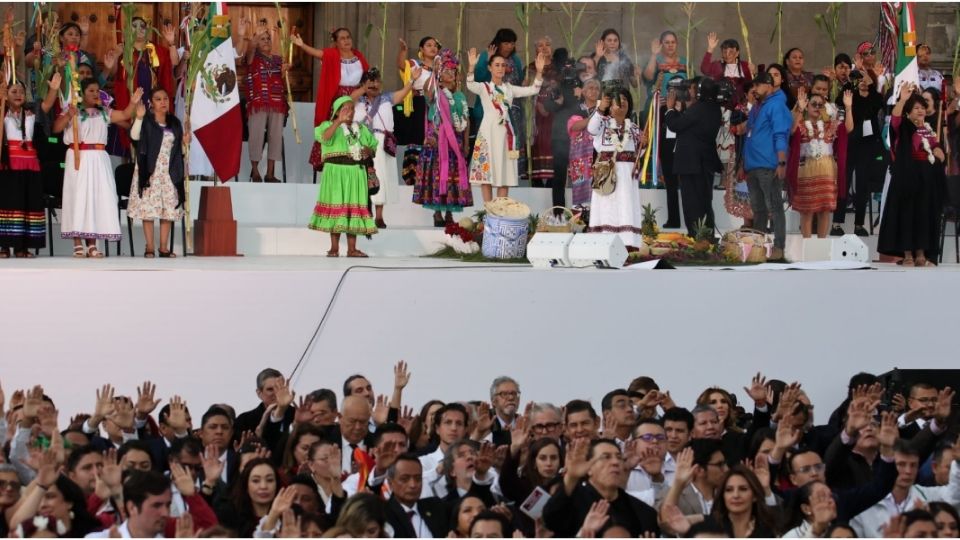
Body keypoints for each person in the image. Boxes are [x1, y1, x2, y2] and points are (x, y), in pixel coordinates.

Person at [53, 80, 142, 259]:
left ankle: (92, 244)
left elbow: (125, 114)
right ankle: (77, 243)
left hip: (99, 159)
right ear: (82, 93)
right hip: (78, 157)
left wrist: (133, 102)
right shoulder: (73, 111)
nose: (96, 94)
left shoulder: (104, 112)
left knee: (95, 199)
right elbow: (56, 129)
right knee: (78, 198)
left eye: (97, 91)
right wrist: (68, 116)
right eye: (91, 91)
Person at [878, 82, 947, 266]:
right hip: (907, 178)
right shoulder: (904, 127)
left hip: (925, 179)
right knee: (907, 215)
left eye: (922, 108)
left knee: (923, 215)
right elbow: (895, 118)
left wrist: (939, 150)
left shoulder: (928, 130)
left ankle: (921, 253)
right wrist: (902, 100)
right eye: (916, 108)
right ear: (908, 112)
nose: (920, 111)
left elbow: (935, 148)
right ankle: (907, 254)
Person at [466, 47, 547, 203]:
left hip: (506, 134)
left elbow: (533, 90)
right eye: (497, 65)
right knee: (486, 172)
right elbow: (470, 85)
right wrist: (471, 67)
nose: (500, 68)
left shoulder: (509, 89)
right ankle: (488, 210)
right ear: (490, 68)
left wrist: (539, 72)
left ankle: (500, 210)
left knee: (504, 173)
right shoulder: (484, 88)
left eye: (503, 65)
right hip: (488, 134)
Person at [541, 438, 659, 537]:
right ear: (589, 468)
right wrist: (571, 477)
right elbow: (551, 519)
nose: (615, 462)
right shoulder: (572, 502)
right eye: (606, 457)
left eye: (619, 457)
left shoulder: (642, 512)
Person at [308, 96, 378, 257]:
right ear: (337, 111)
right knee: (337, 208)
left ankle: (352, 249)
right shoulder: (327, 125)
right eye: (346, 108)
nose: (350, 112)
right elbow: (325, 138)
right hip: (335, 173)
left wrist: (369, 151)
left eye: (352, 109)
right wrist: (338, 122)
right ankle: (334, 248)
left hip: (356, 172)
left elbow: (373, 146)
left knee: (352, 209)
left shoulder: (361, 129)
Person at [353, 65, 420, 228]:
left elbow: (404, 92)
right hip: (360, 142)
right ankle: (362, 212)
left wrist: (412, 80)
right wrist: (364, 88)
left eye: (377, 82)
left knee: (379, 178)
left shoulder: (387, 98)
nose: (374, 85)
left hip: (381, 143)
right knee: (361, 177)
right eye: (370, 82)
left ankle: (379, 216)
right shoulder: (357, 100)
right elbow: (348, 99)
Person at [0, 74, 59, 258]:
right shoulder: (2, 112)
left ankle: (22, 248)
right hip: (9, 166)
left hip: (31, 165)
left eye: (21, 92)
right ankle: (4, 246)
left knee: (28, 205)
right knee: (8, 205)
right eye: (14, 91)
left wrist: (54, 89)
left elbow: (47, 105)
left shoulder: (31, 112)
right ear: (6, 94)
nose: (18, 94)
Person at [293, 28, 369, 172]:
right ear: (335, 42)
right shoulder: (331, 54)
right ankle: (333, 161)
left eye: (348, 37)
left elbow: (367, 76)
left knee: (356, 129)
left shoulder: (358, 55)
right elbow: (318, 53)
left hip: (358, 97)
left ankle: (356, 160)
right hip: (338, 98)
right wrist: (302, 45)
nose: (346, 40)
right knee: (337, 129)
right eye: (342, 38)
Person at [849, 440, 960, 537]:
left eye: (913, 465)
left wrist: (958, 463)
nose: (908, 471)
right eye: (901, 464)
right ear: (888, 464)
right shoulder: (863, 502)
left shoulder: (928, 495)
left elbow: (954, 494)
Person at [412, 49, 472, 227]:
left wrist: (467, 143)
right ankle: (437, 213)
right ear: (439, 74)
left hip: (456, 142)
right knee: (438, 175)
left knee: (452, 176)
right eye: (446, 71)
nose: (451, 74)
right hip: (436, 141)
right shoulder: (435, 94)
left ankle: (449, 214)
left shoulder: (460, 96)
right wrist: (434, 71)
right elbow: (427, 91)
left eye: (453, 71)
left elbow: (465, 122)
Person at [103, 17, 178, 154]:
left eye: (142, 26)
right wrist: (116, 57)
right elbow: (113, 73)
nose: (139, 29)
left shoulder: (156, 50)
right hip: (130, 101)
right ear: (127, 31)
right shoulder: (122, 50)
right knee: (132, 147)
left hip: (152, 103)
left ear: (148, 30)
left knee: (154, 145)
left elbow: (174, 63)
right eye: (134, 25)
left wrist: (171, 43)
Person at [128, 88, 187, 258]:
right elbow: (134, 137)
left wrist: (185, 142)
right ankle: (149, 247)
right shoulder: (146, 121)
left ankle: (163, 247)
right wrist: (138, 118)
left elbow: (179, 150)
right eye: (158, 99)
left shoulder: (175, 123)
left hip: (169, 171)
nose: (163, 102)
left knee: (167, 209)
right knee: (148, 210)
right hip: (150, 171)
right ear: (151, 103)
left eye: (166, 98)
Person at [787, 89, 854, 238]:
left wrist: (848, 108)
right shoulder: (801, 125)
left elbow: (848, 128)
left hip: (827, 171)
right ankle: (807, 245)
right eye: (814, 104)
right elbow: (791, 130)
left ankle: (822, 245)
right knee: (807, 210)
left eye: (820, 105)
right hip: (806, 170)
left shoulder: (831, 126)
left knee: (825, 210)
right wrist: (799, 108)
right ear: (808, 107)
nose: (817, 107)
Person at [586, 89, 647, 249]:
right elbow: (591, 129)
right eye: (618, 99)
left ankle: (627, 243)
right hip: (606, 173)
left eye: (625, 99)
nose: (623, 102)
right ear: (610, 105)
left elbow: (639, 154)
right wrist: (600, 109)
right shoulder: (602, 123)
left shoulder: (633, 127)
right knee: (606, 206)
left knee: (626, 204)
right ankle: (603, 242)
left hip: (626, 175)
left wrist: (645, 143)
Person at [664, 77, 723, 237]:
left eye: (691, 88)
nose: (688, 91)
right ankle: (705, 238)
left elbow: (676, 125)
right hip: (702, 163)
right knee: (703, 203)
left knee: (693, 204)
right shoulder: (713, 108)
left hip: (693, 163)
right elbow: (688, 125)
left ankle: (698, 239)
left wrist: (670, 109)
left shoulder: (700, 108)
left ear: (699, 90)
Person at [743, 72, 792, 260]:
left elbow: (781, 134)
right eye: (753, 86)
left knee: (775, 207)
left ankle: (779, 248)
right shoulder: (758, 106)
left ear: (769, 85)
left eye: (758, 86)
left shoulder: (777, 105)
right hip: (753, 165)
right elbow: (750, 134)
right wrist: (743, 163)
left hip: (769, 165)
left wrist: (781, 162)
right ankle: (758, 246)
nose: (754, 90)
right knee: (759, 209)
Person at [831, 70, 885, 237]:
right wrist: (850, 81)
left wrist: (870, 84)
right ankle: (836, 223)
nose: (862, 81)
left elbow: (879, 104)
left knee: (862, 184)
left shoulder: (874, 97)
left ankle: (859, 224)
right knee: (844, 182)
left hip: (867, 145)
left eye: (865, 78)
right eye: (859, 79)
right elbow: (839, 100)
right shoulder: (851, 94)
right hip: (849, 142)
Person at [473, 29, 527, 180]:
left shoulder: (515, 59)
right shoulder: (487, 56)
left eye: (512, 43)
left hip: (512, 110)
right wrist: (486, 62)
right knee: (490, 148)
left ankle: (510, 175)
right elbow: (478, 80)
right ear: (498, 43)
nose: (509, 46)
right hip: (490, 111)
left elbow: (519, 81)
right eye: (506, 43)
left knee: (509, 143)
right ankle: (488, 177)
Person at [240, 25, 290, 183]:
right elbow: (249, 50)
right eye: (263, 39)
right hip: (258, 102)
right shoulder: (252, 57)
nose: (267, 41)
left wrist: (284, 71)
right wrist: (255, 36)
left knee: (275, 136)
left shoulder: (278, 60)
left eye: (268, 38)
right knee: (256, 136)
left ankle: (270, 173)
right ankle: (255, 171)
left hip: (276, 103)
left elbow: (282, 80)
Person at [395, 37, 441, 187]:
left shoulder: (442, 66)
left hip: (437, 106)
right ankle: (414, 176)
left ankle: (433, 177)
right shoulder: (415, 65)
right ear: (421, 49)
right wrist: (403, 51)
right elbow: (402, 65)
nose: (433, 48)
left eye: (435, 46)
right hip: (420, 105)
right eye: (428, 45)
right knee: (418, 139)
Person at [497, 437, 562, 536]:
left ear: (560, 461)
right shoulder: (524, 486)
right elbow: (507, 481)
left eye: (553, 458)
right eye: (543, 458)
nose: (549, 463)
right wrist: (514, 449)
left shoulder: (567, 486)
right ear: (534, 462)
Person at [383, 454, 451, 538]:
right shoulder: (383, 515)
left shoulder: (435, 507)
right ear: (390, 483)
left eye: (418, 479)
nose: (413, 485)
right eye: (404, 479)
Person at [706, 465, 780, 537]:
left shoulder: (767, 531)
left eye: (743, 489)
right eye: (729, 490)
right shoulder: (709, 529)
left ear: (754, 496)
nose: (736, 495)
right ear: (723, 495)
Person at [234, 368, 296, 441]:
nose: (276, 393)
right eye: (270, 389)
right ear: (259, 393)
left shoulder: (297, 415)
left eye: (279, 388)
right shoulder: (244, 421)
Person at [566, 78, 600, 210]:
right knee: (581, 187)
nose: (594, 91)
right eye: (591, 88)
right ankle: (581, 219)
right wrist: (596, 115)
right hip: (580, 157)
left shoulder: (605, 108)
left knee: (599, 187)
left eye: (597, 88)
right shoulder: (577, 108)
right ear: (584, 92)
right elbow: (574, 127)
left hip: (598, 154)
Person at [528, 37, 557, 187]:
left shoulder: (558, 68)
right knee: (535, 150)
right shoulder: (530, 68)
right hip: (535, 118)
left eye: (548, 44)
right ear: (535, 50)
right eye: (541, 45)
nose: (545, 48)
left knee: (554, 150)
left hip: (554, 117)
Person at [700, 33, 753, 106]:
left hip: (741, 108)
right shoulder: (718, 65)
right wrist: (710, 49)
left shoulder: (745, 66)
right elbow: (704, 69)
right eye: (725, 52)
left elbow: (751, 87)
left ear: (737, 53)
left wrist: (754, 72)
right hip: (720, 106)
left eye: (731, 52)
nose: (727, 55)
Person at [643, 31, 687, 98]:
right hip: (658, 104)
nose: (670, 45)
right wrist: (654, 54)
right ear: (661, 44)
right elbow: (648, 77)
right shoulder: (654, 60)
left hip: (680, 104)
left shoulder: (685, 61)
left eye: (673, 42)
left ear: (677, 44)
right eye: (667, 42)